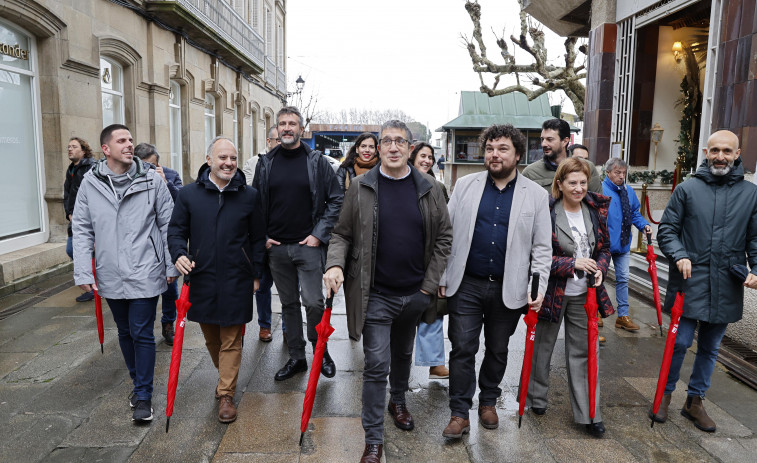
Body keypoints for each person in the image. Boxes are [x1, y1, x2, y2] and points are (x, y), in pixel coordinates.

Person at [323, 120, 452, 463]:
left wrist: (428, 286)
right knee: (376, 363)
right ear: (378, 148)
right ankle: (374, 439)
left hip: (415, 293)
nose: (393, 147)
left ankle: (399, 400)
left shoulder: (430, 188)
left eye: (400, 142)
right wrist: (334, 264)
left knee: (403, 354)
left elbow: (444, 238)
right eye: (386, 142)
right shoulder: (361, 186)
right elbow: (341, 234)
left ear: (411, 148)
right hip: (374, 293)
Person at [439, 124, 551, 438]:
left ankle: (488, 400)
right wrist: (443, 275)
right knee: (462, 348)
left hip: (509, 287)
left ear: (518, 155)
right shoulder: (465, 186)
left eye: (502, 149)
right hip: (467, 284)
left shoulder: (536, 196)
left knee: (498, 350)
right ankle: (459, 413)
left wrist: (537, 288)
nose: (494, 154)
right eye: (489, 148)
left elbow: (542, 247)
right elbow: (446, 234)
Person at [72, 124, 179, 423]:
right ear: (106, 149)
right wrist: (83, 268)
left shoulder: (151, 180)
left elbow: (168, 223)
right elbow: (81, 228)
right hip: (110, 271)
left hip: (146, 268)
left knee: (142, 331)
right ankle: (138, 381)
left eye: (131, 139)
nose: (129, 144)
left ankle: (144, 394)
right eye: (122, 141)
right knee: (124, 331)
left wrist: (171, 264)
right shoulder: (90, 183)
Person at [653, 130, 757, 432]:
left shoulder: (750, 194)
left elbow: (754, 237)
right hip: (690, 281)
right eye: (715, 151)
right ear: (705, 152)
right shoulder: (687, 189)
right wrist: (680, 254)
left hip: (727, 283)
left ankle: (695, 402)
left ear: (737, 154)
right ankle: (665, 395)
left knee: (711, 348)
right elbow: (667, 231)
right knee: (680, 343)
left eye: (727, 151)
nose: (721, 156)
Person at [168, 136, 264, 424]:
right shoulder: (188, 195)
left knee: (231, 338)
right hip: (202, 276)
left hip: (237, 276)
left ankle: (226, 394)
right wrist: (178, 254)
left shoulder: (250, 196)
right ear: (208, 160)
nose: (229, 163)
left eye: (233, 158)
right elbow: (175, 232)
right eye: (222, 157)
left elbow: (258, 238)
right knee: (212, 337)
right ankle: (226, 377)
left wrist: (256, 273)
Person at [252, 106, 343, 381]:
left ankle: (321, 351)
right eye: (282, 124)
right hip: (277, 248)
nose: (287, 128)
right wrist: (263, 235)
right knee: (289, 304)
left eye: (292, 123)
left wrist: (318, 234)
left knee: (314, 302)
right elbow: (255, 202)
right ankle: (297, 357)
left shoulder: (317, 162)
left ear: (301, 129)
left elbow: (336, 199)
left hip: (309, 246)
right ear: (277, 129)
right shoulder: (266, 163)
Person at [527, 157, 614, 438]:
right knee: (542, 348)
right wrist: (572, 263)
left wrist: (599, 269)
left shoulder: (594, 209)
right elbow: (537, 256)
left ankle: (590, 412)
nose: (578, 188)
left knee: (585, 353)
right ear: (560, 184)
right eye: (572, 183)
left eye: (583, 182)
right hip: (552, 292)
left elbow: (604, 248)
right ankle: (536, 399)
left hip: (584, 296)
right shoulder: (548, 212)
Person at [408, 142, 450, 380]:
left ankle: (434, 363)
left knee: (433, 311)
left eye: (430, 157)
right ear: (412, 158)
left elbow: (447, 226)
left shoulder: (438, 188)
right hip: (406, 258)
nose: (427, 161)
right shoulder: (402, 184)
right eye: (422, 156)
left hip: (431, 258)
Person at [134, 143, 183, 346]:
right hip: (141, 242)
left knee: (169, 287)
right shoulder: (129, 177)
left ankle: (168, 322)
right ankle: (141, 328)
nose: (148, 170)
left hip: (164, 239)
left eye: (152, 165)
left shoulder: (170, 175)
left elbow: (181, 202)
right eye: (144, 165)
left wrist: (165, 183)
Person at [602, 158, 651, 332]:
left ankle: (622, 316)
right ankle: (597, 313)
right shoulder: (601, 189)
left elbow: (634, 214)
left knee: (623, 279)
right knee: (598, 280)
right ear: (608, 173)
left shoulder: (628, 191)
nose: (622, 176)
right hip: (604, 245)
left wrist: (644, 225)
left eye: (624, 173)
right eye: (617, 173)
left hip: (623, 245)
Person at [242, 127, 281, 342]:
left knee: (288, 289)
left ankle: (288, 327)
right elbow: (250, 198)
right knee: (263, 285)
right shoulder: (254, 163)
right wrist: (262, 236)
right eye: (278, 139)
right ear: (269, 141)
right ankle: (264, 325)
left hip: (287, 237)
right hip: (263, 235)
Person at [522, 119, 602, 193]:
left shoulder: (587, 167)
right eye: (542, 139)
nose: (543, 144)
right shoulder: (530, 173)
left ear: (565, 141)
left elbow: (598, 204)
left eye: (549, 139)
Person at [64, 137, 95, 302]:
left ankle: (93, 286)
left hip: (87, 219)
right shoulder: (71, 169)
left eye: (74, 146)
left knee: (80, 250)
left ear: (83, 150)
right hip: (74, 218)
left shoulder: (91, 168)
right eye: (68, 147)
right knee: (72, 250)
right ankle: (94, 284)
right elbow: (67, 194)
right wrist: (69, 212)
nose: (70, 149)